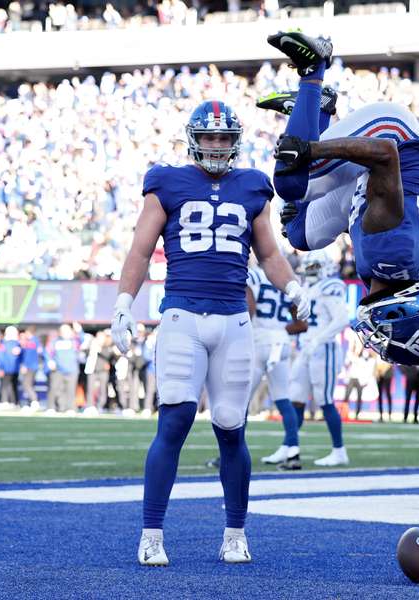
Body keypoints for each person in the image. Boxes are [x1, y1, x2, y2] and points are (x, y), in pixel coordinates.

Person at [111, 99, 310, 566]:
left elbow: (269, 254)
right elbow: (141, 250)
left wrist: (293, 286)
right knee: (174, 421)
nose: (217, 145)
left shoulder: (253, 186)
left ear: (235, 141)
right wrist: (124, 303)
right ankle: (152, 534)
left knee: (230, 427)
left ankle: (235, 533)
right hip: (182, 316)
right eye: (210, 137)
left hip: (235, 322)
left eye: (225, 138)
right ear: (194, 139)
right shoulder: (166, 181)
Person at [262, 30, 419, 366]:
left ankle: (320, 109)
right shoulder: (392, 252)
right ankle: (313, 68)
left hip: (374, 179)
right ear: (402, 310)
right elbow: (386, 154)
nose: (380, 335)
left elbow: (371, 219)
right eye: (390, 331)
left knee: (299, 233)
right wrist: (310, 150)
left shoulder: (393, 268)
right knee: (292, 181)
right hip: (393, 138)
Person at [288, 250, 351, 466]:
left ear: (324, 267)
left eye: (314, 267)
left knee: (324, 400)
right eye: (308, 267)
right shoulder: (306, 288)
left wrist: (319, 339)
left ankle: (339, 450)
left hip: (324, 349)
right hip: (306, 348)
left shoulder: (330, 287)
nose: (310, 271)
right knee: (295, 397)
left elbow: (342, 319)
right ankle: (289, 447)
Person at [248, 264, 306, 471]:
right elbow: (302, 325)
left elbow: (249, 312)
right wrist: (277, 331)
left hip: (257, 342)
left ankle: (228, 453)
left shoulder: (252, 275)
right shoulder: (287, 280)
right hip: (280, 344)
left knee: (239, 403)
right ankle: (293, 452)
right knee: (283, 399)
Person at [46, 324, 79, 413]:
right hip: (57, 370)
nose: (65, 333)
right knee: (54, 389)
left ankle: (70, 408)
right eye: (63, 331)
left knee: (70, 390)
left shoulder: (75, 341)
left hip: (72, 370)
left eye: (67, 331)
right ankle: (51, 407)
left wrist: (79, 330)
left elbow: (83, 340)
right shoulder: (54, 341)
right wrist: (50, 361)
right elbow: (47, 352)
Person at [343, 348, 375, 420]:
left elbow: (369, 371)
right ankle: (344, 413)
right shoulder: (353, 356)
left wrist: (367, 381)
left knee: (359, 398)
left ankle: (357, 414)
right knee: (346, 396)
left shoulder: (369, 360)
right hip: (352, 377)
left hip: (361, 380)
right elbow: (348, 360)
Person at [0, 326, 22, 405]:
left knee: (13, 386)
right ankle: (4, 401)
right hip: (6, 369)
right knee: (4, 386)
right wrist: (0, 368)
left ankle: (14, 402)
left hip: (15, 369)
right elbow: (0, 356)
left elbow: (20, 356)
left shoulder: (18, 344)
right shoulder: (3, 343)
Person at [19, 327, 42, 406]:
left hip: (30, 366)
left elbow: (28, 356)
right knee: (30, 384)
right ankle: (32, 401)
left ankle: (34, 400)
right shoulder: (36, 341)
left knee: (26, 384)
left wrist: (24, 365)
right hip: (34, 366)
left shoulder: (31, 342)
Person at [374, 355, 393, 422]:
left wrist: (383, 370)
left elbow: (390, 362)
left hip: (387, 374)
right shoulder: (377, 350)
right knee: (380, 395)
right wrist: (377, 372)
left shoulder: (388, 349)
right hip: (379, 375)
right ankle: (381, 415)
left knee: (388, 394)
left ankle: (390, 414)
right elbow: (375, 362)